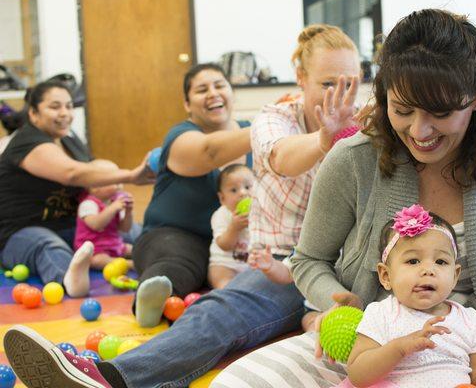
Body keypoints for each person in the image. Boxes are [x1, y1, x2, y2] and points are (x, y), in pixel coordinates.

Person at [208, 8, 476, 387]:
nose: (420, 130)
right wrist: (336, 301)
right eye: (403, 110)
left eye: (441, 113)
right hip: (372, 352)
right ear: (383, 96)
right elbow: (309, 259)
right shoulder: (352, 160)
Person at [2, 24, 362, 388]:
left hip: (327, 263)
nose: (341, 99)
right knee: (217, 307)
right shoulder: (267, 121)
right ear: (301, 78)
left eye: (351, 84)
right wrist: (323, 139)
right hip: (255, 254)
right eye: (328, 85)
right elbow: (279, 156)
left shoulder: (356, 122)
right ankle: (112, 375)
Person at [341, 204, 476, 388]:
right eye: (413, 261)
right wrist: (399, 348)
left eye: (440, 262)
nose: (428, 270)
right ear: (386, 275)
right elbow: (358, 374)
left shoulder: (467, 320)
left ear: (455, 275)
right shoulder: (382, 314)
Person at [126, 62, 253, 327]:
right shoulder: (181, 135)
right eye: (201, 89)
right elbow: (210, 152)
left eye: (220, 85)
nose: (213, 93)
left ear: (232, 92)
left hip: (237, 243)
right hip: (175, 235)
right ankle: (154, 298)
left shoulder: (248, 131)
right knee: (178, 261)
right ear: (187, 104)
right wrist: (269, 129)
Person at [0, 80, 153, 299]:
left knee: (136, 232)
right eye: (55, 107)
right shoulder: (27, 142)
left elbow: (95, 176)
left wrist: (118, 204)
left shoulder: (69, 141)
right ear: (33, 113)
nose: (65, 113)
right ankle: (70, 282)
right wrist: (130, 175)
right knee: (48, 246)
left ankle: (168, 259)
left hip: (74, 227)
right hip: (21, 232)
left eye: (69, 106)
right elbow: (72, 173)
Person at [74, 160, 135, 270]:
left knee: (135, 249)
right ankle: (129, 264)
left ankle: (146, 258)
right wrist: (112, 208)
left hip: (115, 244)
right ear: (95, 186)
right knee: (97, 261)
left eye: (120, 181)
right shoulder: (88, 204)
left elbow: (125, 228)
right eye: (114, 182)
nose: (120, 186)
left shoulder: (114, 202)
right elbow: (96, 225)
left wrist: (128, 213)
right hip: (95, 249)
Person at [208, 164, 254, 289]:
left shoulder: (260, 213)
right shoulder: (221, 215)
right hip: (225, 264)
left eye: (248, 187)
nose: (243, 193)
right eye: (234, 190)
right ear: (222, 198)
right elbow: (224, 245)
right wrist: (234, 228)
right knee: (222, 280)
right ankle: (226, 293)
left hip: (251, 266)